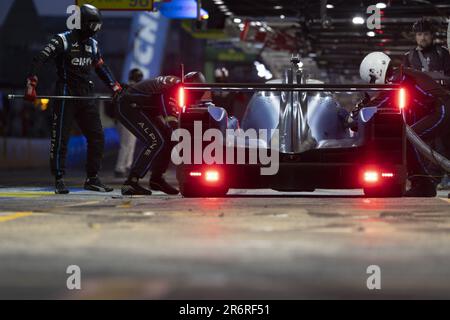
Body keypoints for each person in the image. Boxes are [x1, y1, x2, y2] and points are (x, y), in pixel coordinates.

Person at [25, 4, 122, 194]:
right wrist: (31, 83)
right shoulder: (62, 40)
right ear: (83, 23)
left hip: (86, 95)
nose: (96, 29)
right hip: (65, 94)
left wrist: (114, 85)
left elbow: (100, 67)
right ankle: (59, 178)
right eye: (93, 25)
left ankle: (92, 179)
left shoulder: (93, 44)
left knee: (97, 137)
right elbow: (40, 59)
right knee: (60, 138)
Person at [359, 51, 450, 197]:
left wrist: (355, 115)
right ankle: (423, 182)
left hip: (442, 109)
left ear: (376, 71)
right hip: (441, 108)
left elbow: (379, 102)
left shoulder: (397, 79)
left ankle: (423, 183)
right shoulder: (400, 76)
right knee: (440, 148)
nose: (374, 84)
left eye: (372, 79)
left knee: (407, 139)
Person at [115, 72, 207, 196]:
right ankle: (131, 181)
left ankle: (156, 179)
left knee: (169, 139)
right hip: (130, 106)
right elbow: (168, 112)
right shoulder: (176, 87)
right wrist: (178, 131)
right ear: (191, 87)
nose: (193, 98)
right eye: (194, 94)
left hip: (145, 108)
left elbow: (166, 111)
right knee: (155, 141)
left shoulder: (178, 86)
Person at [114, 68, 143, 178]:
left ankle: (126, 166)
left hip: (128, 119)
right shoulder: (129, 87)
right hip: (127, 119)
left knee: (130, 144)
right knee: (126, 144)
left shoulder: (125, 87)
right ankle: (120, 168)